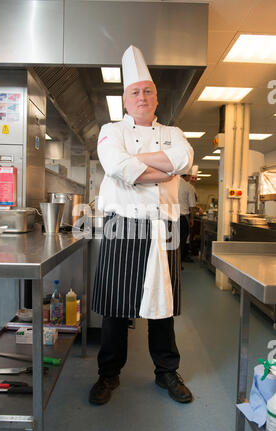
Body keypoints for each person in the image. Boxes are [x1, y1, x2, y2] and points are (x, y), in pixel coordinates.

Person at [89, 45, 194, 406]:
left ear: (156, 96)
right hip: (124, 224)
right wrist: (163, 170)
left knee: (162, 308)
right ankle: (108, 375)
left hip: (164, 227)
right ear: (125, 98)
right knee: (116, 308)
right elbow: (114, 165)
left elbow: (183, 159)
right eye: (135, 91)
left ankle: (166, 371)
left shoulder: (174, 132)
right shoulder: (110, 130)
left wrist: (136, 166)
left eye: (148, 90)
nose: (142, 97)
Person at [178, 174, 196, 265]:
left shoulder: (169, 183)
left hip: (169, 219)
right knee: (181, 242)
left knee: (169, 242)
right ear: (188, 176)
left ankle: (169, 264)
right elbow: (192, 206)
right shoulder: (189, 187)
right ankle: (178, 264)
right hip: (183, 219)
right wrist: (192, 218)